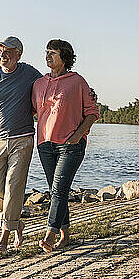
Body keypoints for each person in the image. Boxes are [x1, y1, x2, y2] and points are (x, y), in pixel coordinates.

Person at [31, 39, 99, 253]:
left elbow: (93, 112)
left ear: (65, 57)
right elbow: (32, 110)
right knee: (56, 191)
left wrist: (78, 135)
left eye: (53, 53)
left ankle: (49, 235)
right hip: (45, 144)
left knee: (59, 189)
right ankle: (66, 236)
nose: (48, 56)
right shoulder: (39, 83)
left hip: (70, 145)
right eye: (46, 52)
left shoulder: (77, 81)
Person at [0, 36, 42, 257]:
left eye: (8, 50)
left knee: (14, 187)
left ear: (19, 54)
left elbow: (48, 90)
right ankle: (16, 224)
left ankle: (4, 237)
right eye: (0, 50)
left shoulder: (30, 73)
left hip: (23, 139)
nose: (2, 53)